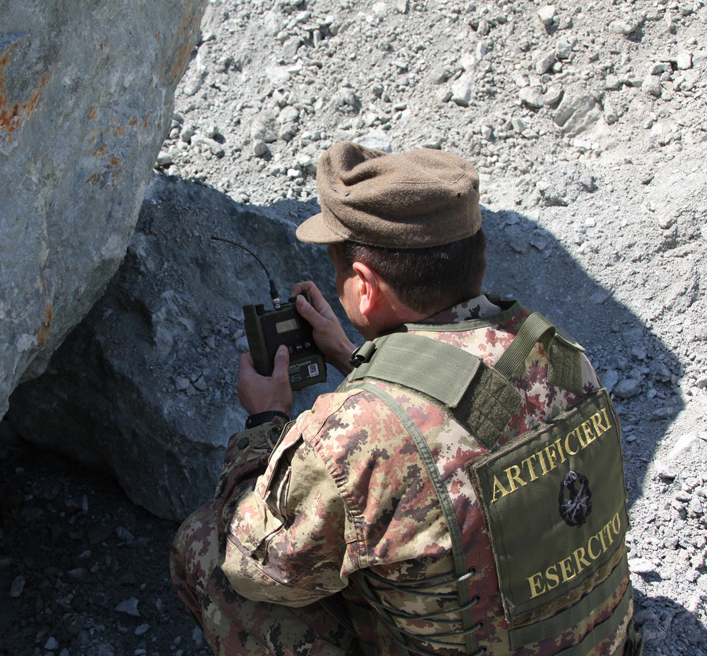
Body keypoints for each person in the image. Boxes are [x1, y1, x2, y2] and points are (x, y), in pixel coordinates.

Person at [170, 141, 641, 656]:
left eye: (340, 273)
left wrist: (265, 419)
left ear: (365, 287)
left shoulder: (358, 434)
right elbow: (472, 417)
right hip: (598, 642)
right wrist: (357, 357)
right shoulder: (559, 355)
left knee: (205, 546)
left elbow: (256, 565)